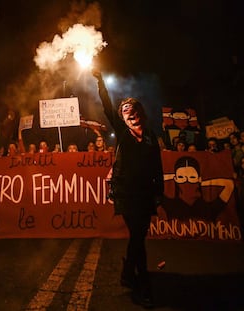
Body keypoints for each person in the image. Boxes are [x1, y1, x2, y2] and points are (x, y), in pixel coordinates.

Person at [93, 69, 164, 308]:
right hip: (126, 193)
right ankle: (143, 287)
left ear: (140, 114)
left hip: (145, 193)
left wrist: (159, 192)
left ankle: (127, 271)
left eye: (132, 111)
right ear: (122, 119)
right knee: (137, 237)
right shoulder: (123, 133)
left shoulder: (151, 137)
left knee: (138, 236)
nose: (129, 115)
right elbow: (107, 107)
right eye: (125, 112)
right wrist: (100, 82)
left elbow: (157, 166)